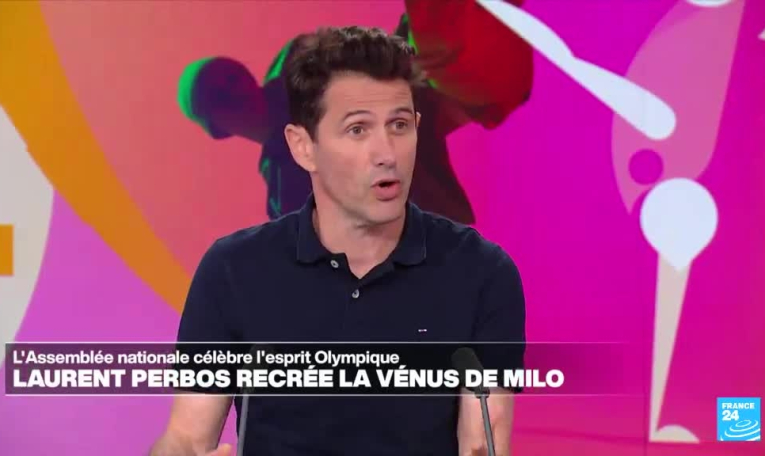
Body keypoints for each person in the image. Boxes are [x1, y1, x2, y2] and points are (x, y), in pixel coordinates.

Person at [152, 25, 525, 456]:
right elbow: (186, 438)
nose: (387, 153)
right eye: (357, 130)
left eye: (399, 125)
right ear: (303, 147)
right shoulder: (233, 270)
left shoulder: (481, 274)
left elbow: (483, 443)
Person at [177, 0, 532, 224]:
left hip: (456, 66)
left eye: (230, 74)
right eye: (218, 95)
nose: (233, 88)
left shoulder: (299, 63)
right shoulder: (289, 195)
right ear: (217, 128)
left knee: (434, 25)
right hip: (475, 83)